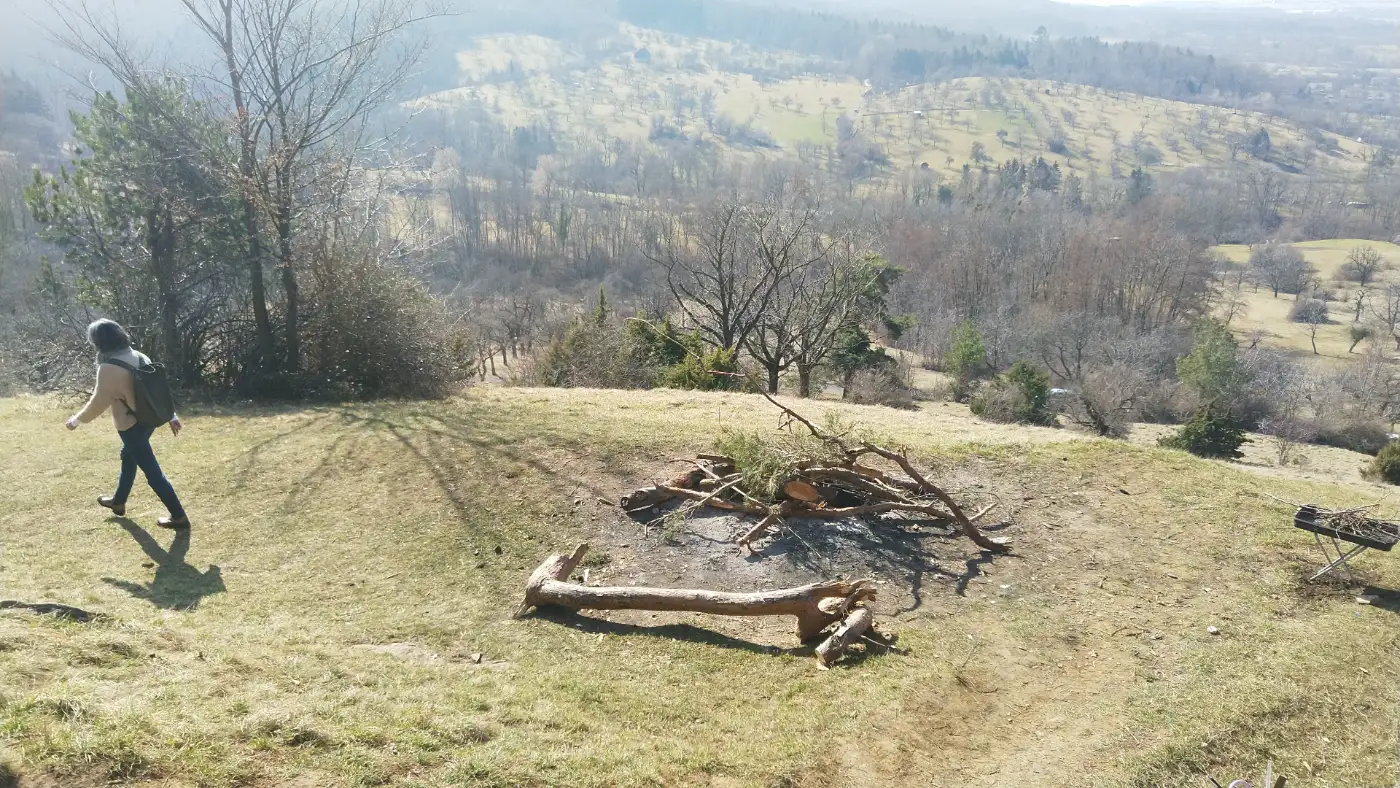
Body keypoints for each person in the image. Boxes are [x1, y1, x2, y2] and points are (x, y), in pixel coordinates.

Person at [65, 319, 189, 529]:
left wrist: (76, 421)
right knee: (128, 455)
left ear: (99, 342)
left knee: (153, 473)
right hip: (148, 421)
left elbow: (98, 402)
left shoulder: (108, 368)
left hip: (130, 426)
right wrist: (171, 416)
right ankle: (118, 501)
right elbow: (156, 392)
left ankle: (179, 517)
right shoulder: (139, 355)